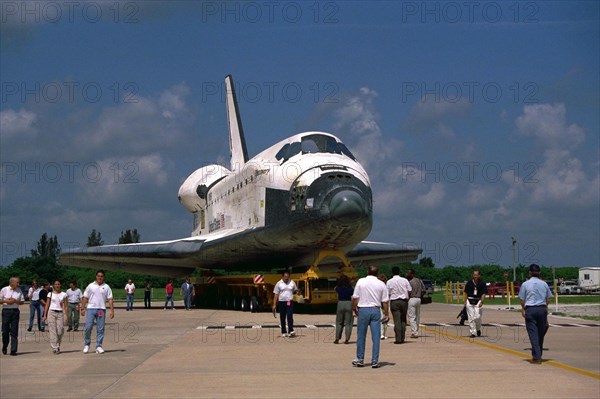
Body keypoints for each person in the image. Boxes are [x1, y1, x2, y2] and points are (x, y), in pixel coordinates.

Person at [352, 265, 390, 368]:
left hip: (363, 309)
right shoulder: (381, 284)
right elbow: (385, 301)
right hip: (375, 310)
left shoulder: (361, 281)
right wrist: (386, 313)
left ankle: (360, 359)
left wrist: (354, 308)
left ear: (368, 272)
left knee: (361, 336)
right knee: (376, 337)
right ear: (377, 273)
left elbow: (355, 297)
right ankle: (375, 361)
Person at [519, 264, 553, 364]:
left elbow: (522, 299)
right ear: (539, 272)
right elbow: (548, 299)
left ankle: (537, 357)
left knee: (533, 334)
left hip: (530, 309)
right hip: (542, 309)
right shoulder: (544, 284)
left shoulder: (525, 284)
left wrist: (523, 309)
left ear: (530, 273)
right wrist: (544, 308)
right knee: (540, 333)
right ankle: (538, 355)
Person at [81, 270, 114, 354]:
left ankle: (99, 346)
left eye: (101, 276)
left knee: (100, 328)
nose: (100, 277)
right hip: (91, 308)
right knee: (88, 327)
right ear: (96, 276)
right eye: (98, 276)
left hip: (101, 309)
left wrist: (112, 310)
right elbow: (85, 297)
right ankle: (87, 344)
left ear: (103, 277)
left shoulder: (106, 287)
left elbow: (110, 299)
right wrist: (82, 308)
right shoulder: (91, 286)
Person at [386, 266, 411, 344]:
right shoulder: (405, 280)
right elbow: (409, 290)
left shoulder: (389, 281)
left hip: (394, 301)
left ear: (392, 273)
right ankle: (402, 337)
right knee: (403, 320)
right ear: (399, 272)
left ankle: (398, 339)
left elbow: (387, 293)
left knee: (397, 321)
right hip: (404, 301)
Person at [1, 277, 25, 356]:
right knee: (5, 331)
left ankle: (13, 350)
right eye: (17, 282)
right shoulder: (4, 289)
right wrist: (6, 301)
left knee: (14, 331)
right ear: (12, 282)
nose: (18, 284)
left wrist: (15, 301)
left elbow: (22, 302)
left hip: (15, 311)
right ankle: (5, 346)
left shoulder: (19, 290)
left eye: (18, 282)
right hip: (6, 311)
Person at [43, 280, 68, 354]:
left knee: (60, 331)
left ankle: (57, 344)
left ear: (60, 285)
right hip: (51, 313)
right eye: (55, 284)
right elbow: (47, 304)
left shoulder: (64, 294)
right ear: (53, 285)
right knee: (52, 330)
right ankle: (55, 347)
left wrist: (66, 316)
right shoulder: (50, 294)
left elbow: (66, 306)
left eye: (58, 284)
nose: (57, 285)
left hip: (60, 313)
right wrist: (45, 315)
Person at [272, 272, 297, 337]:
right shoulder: (279, 283)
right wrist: (274, 304)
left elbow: (295, 290)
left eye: (287, 277)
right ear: (282, 277)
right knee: (282, 317)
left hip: (289, 302)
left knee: (289, 316)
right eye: (285, 277)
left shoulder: (292, 282)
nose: (286, 278)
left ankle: (290, 330)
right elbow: (276, 294)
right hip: (282, 302)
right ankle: (283, 331)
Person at [463, 270, 487, 338]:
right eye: (474, 275)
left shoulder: (482, 283)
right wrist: (465, 301)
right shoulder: (469, 283)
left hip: (478, 300)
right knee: (471, 317)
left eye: (476, 275)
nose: (475, 276)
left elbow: (483, 293)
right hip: (470, 300)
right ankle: (472, 332)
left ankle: (478, 329)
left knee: (477, 317)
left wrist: (482, 302)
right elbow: (466, 293)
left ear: (479, 275)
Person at [333, 274, 354, 344]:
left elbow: (334, 289)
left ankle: (337, 338)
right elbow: (353, 295)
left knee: (339, 322)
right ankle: (347, 339)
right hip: (348, 303)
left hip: (340, 303)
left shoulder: (338, 288)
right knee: (348, 323)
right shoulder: (351, 288)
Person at [406, 268, 426, 338]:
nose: (407, 274)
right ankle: (416, 331)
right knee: (417, 316)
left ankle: (414, 332)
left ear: (412, 274)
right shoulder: (419, 281)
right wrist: (421, 296)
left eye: (408, 273)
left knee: (411, 317)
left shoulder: (410, 282)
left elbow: (408, 291)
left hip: (412, 299)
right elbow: (424, 290)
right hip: (418, 299)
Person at [378, 274, 389, 340]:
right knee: (383, 320)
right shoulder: (384, 287)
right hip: (383, 304)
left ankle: (383, 334)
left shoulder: (378, 287)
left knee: (384, 320)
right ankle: (382, 334)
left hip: (381, 304)